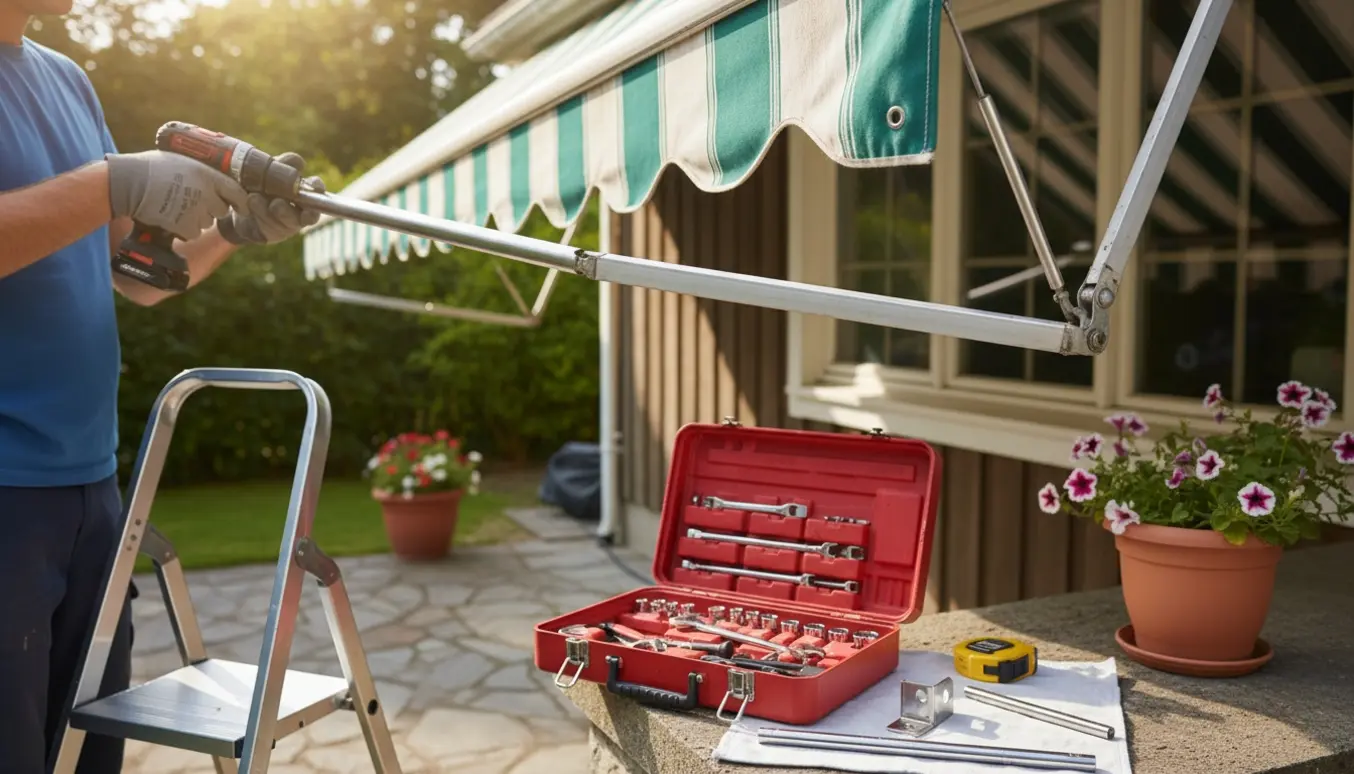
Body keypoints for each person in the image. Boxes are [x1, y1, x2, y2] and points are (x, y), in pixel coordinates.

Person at [0, 0, 324, 770]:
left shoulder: (65, 80)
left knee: (85, 755)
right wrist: (117, 181)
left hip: (91, 485)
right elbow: (109, 196)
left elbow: (134, 273)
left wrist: (235, 232)